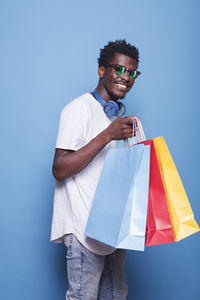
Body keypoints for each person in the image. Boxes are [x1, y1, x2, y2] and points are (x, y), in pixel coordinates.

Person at [51, 39, 140, 300]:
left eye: (132, 72)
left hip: (111, 227)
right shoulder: (79, 109)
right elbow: (59, 169)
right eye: (119, 69)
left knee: (116, 295)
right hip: (83, 228)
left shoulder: (112, 117)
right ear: (102, 70)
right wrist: (106, 136)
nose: (126, 77)